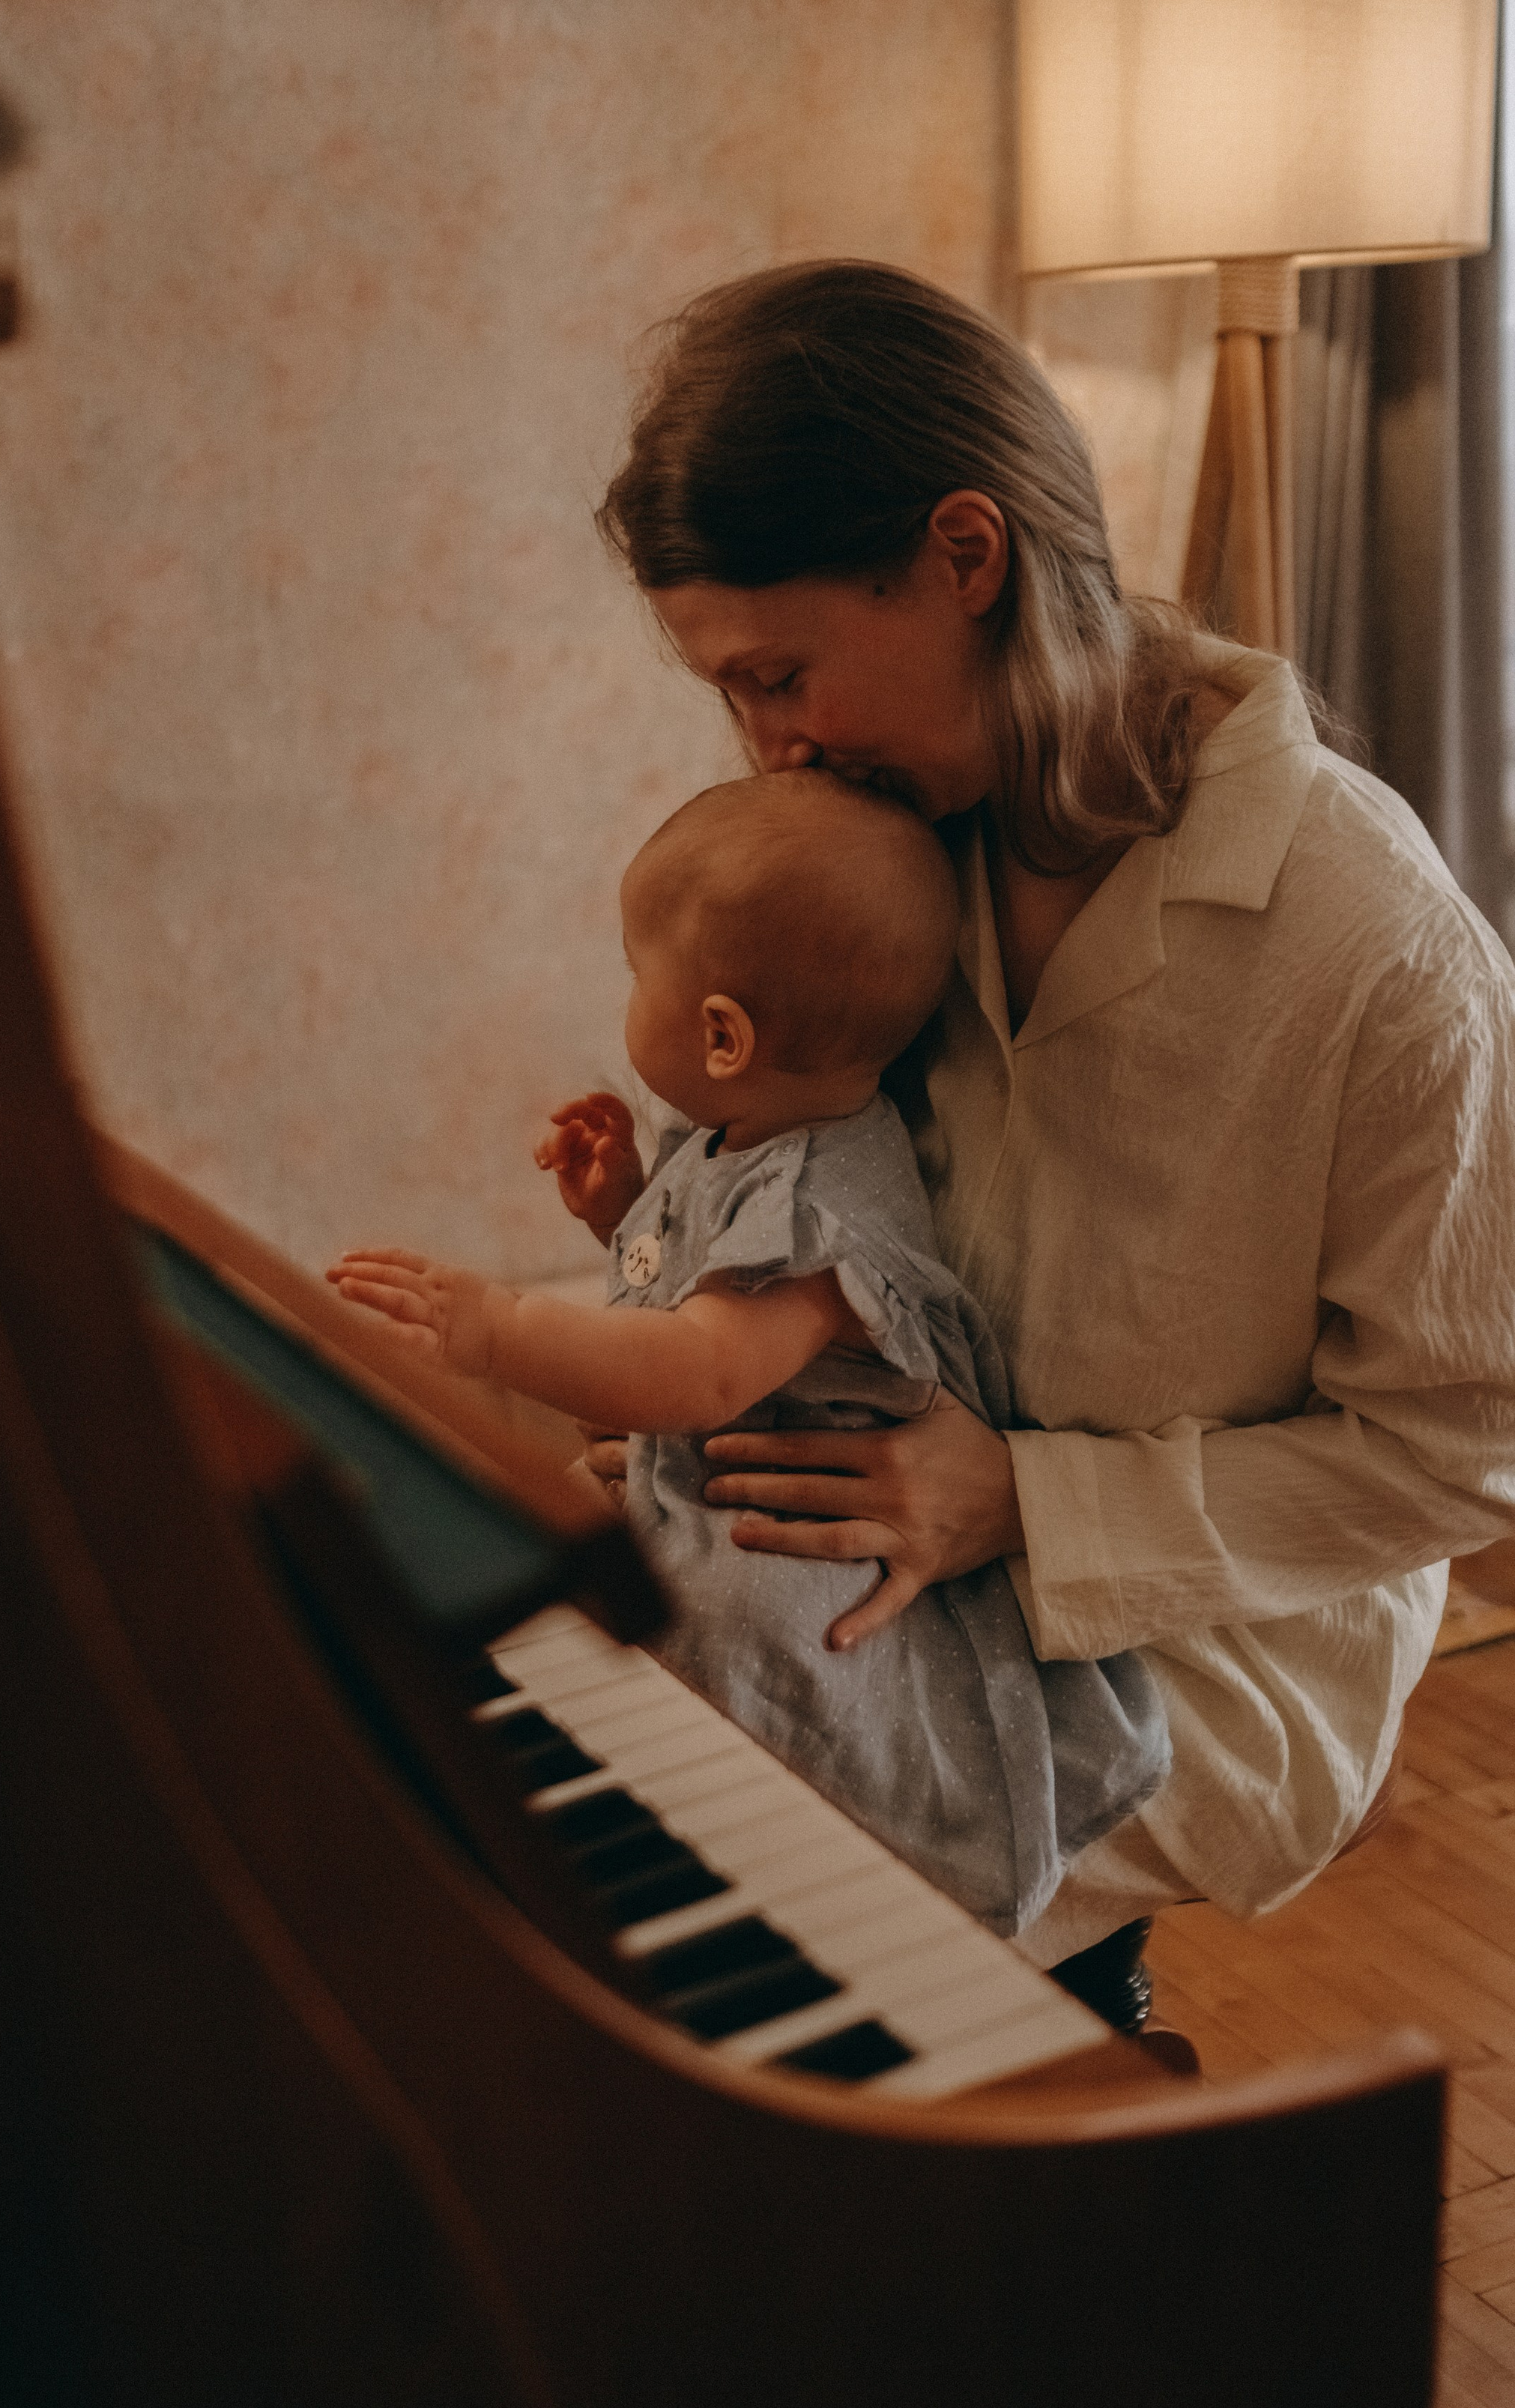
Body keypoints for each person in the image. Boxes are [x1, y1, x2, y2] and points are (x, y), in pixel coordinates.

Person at [587, 256, 1515, 2026]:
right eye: (729, 695)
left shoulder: (1374, 946)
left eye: (779, 675)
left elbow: (1467, 1456)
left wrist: (1025, 1502)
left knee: (696, 1929)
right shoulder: (885, 841)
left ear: (964, 556)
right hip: (891, 1542)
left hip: (1190, 1648)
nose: (764, 747)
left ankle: (1042, 2181)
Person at [330, 773, 1168, 1937]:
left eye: (638, 977)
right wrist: (622, 1203)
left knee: (715, 1626)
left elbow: (702, 1372)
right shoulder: (753, 1128)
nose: (626, 999)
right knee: (556, 1567)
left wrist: (495, 1328)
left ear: (722, 1032)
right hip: (715, 1468)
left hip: (804, 1523)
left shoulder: (826, 1201)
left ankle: (721, 1860)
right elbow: (689, 1274)